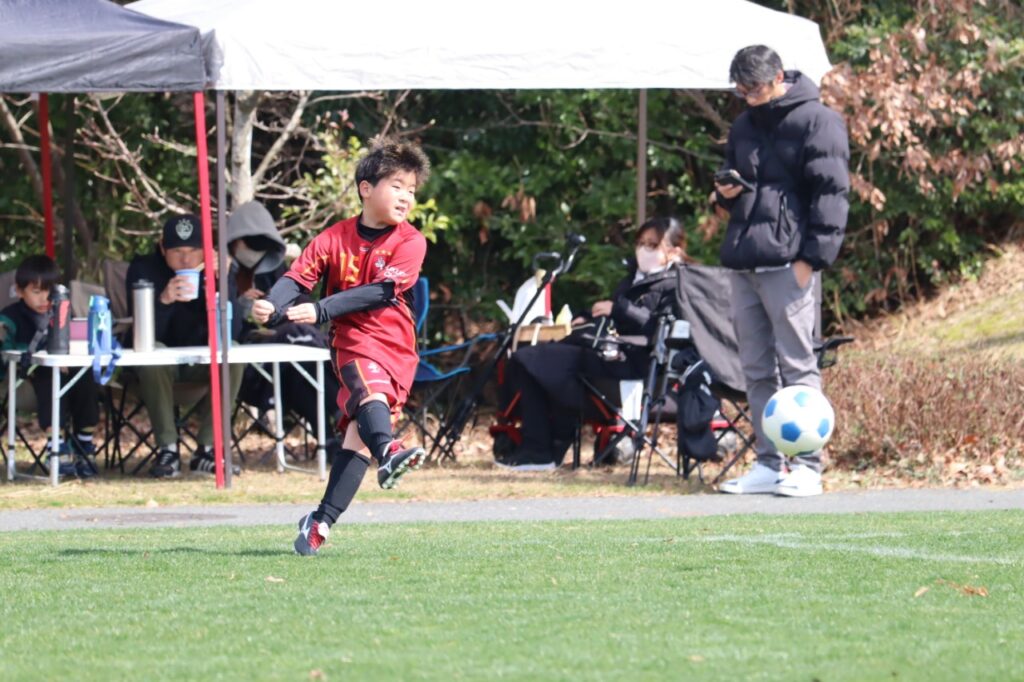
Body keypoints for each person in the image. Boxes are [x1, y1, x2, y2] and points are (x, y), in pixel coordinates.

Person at [252, 136, 431, 556]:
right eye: (397, 186)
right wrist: (271, 305)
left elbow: (382, 291)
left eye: (411, 190)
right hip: (353, 342)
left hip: (397, 348)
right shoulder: (333, 238)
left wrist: (320, 309)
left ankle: (320, 521)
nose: (406, 197)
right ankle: (390, 451)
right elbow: (297, 278)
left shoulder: (411, 241)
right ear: (366, 188)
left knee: (358, 439)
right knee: (372, 402)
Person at [713, 45, 849, 497]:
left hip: (791, 264)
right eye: (740, 91)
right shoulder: (743, 125)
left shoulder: (819, 121)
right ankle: (768, 464)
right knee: (755, 369)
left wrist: (811, 261)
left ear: (777, 79)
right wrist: (723, 194)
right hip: (744, 261)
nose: (747, 97)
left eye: (753, 89)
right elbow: (734, 181)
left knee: (797, 366)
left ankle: (808, 466)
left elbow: (832, 195)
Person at [493, 217, 687, 471]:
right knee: (529, 359)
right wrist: (587, 316)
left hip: (639, 361)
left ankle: (541, 449)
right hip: (610, 351)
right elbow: (617, 314)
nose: (643, 250)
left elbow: (662, 327)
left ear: (674, 251)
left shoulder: (678, 284)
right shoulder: (634, 278)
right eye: (640, 243)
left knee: (534, 360)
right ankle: (543, 446)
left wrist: (618, 309)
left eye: (652, 245)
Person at [125, 213, 245, 478]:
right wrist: (164, 301)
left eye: (193, 251)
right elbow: (140, 335)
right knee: (153, 352)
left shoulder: (218, 270)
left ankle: (208, 450)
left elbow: (234, 330)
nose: (186, 260)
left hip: (202, 363)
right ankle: (168, 449)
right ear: (162, 248)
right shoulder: (144, 270)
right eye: (178, 251)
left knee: (233, 352)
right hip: (158, 369)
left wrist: (223, 280)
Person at [226, 200, 345, 463]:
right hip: (252, 367)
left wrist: (274, 306)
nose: (254, 252)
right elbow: (228, 330)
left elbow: (302, 307)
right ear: (234, 242)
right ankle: (344, 412)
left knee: (300, 371)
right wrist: (241, 303)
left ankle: (329, 441)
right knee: (299, 336)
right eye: (248, 244)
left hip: (290, 363)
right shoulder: (223, 272)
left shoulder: (274, 268)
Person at [0, 254, 99, 478]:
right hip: (23, 383)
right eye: (36, 291)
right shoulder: (10, 316)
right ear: (19, 291)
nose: (44, 298)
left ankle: (84, 443)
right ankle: (57, 446)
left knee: (84, 374)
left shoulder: (63, 312)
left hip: (67, 380)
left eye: (49, 291)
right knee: (48, 373)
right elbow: (6, 347)